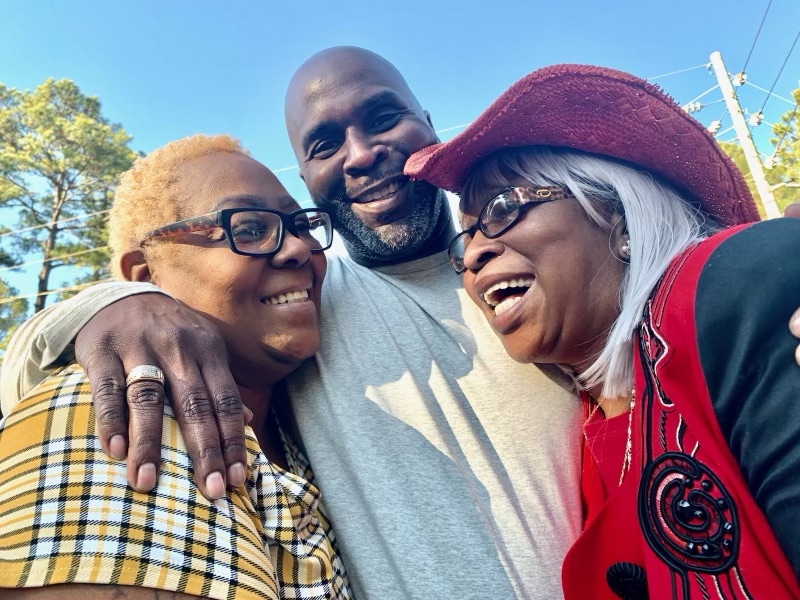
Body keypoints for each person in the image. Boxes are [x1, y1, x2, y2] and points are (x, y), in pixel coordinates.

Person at [0, 48, 584, 599]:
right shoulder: (310, 305)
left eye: (384, 118)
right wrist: (112, 303)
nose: (361, 154)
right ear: (307, 177)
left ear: (429, 125)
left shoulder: (538, 272)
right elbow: (32, 385)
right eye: (325, 144)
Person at [405, 63, 800, 598]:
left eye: (502, 207)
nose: (473, 255)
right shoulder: (590, 427)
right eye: (466, 237)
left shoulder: (735, 284)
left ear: (617, 213)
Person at [0, 134, 351, 599]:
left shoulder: (302, 413)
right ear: (146, 277)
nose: (299, 249)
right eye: (248, 228)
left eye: (301, 225)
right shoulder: (117, 412)